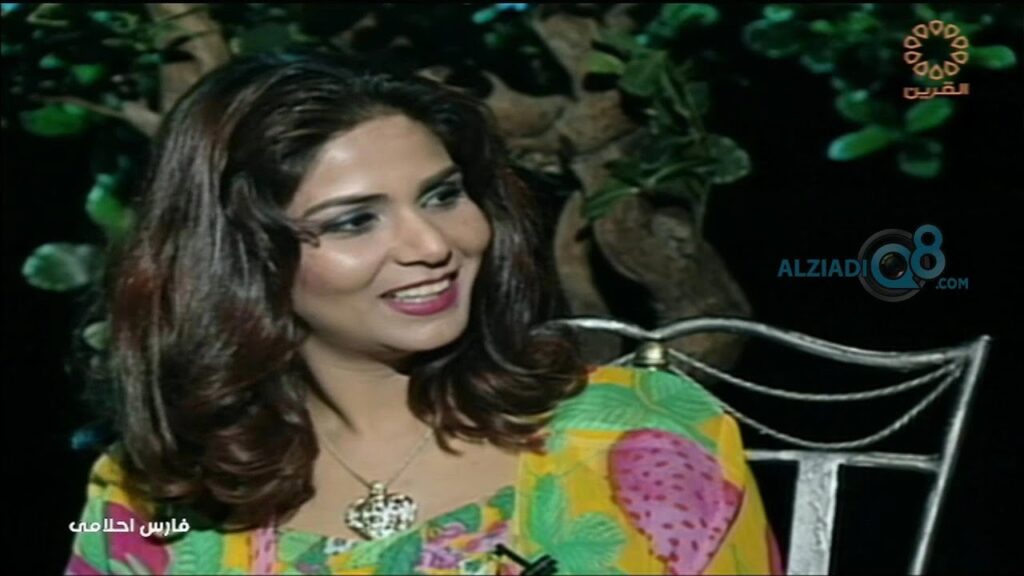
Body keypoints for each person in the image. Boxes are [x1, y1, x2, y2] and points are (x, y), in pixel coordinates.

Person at [64, 51, 783, 575]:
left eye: (441, 196)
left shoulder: (642, 432)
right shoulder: (152, 499)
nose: (433, 245)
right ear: (241, 259)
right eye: (354, 221)